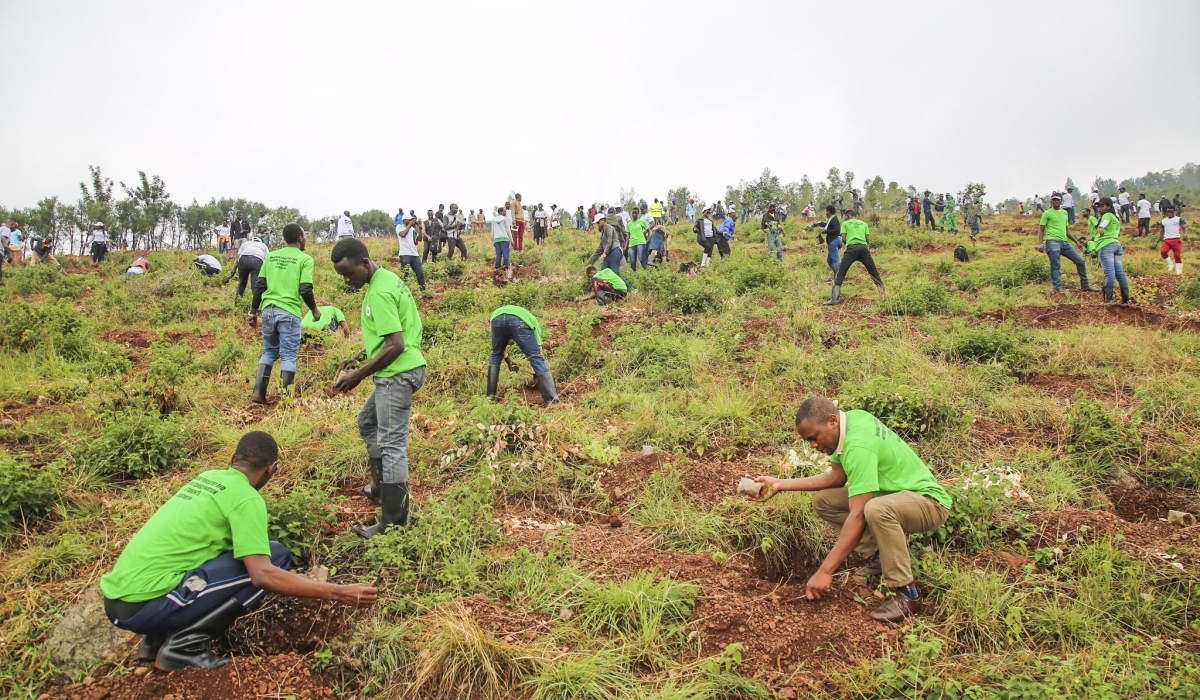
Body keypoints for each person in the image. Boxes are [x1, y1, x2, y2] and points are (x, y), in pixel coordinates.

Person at [99, 431, 377, 671]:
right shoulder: (246, 498)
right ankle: (182, 647)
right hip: (145, 605)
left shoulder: (207, 479)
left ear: (233, 459)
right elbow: (262, 576)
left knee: (242, 556)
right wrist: (339, 592)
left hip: (118, 600)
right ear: (271, 469)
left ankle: (155, 640)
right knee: (276, 558)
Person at [748, 397, 952, 622]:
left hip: (928, 503)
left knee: (875, 509)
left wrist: (825, 571)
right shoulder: (851, 421)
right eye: (809, 441)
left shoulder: (857, 445)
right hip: (894, 495)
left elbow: (858, 514)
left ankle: (906, 592)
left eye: (814, 438)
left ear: (832, 421)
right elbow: (836, 477)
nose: (813, 445)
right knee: (824, 501)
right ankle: (880, 554)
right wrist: (780, 484)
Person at [331, 239, 427, 536]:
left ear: (364, 262)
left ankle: (393, 524)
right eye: (342, 276)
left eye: (349, 274)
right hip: (404, 367)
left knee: (392, 446)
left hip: (398, 373)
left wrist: (358, 374)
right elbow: (391, 336)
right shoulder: (386, 280)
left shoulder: (381, 291)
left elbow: (395, 345)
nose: (347, 281)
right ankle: (378, 486)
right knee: (367, 420)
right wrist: (360, 357)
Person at [249, 224, 319, 402]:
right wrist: (314, 310)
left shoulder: (270, 257)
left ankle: (258, 394)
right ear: (301, 238)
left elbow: (260, 286)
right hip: (289, 311)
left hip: (268, 310)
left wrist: (252, 312)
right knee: (288, 354)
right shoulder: (305, 259)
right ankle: (286, 398)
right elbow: (305, 289)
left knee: (270, 351)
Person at [487, 305, 561, 406]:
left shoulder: (499, 315)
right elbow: (537, 350)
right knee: (535, 357)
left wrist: (508, 360)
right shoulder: (533, 321)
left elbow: (499, 350)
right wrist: (535, 372)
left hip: (496, 318)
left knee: (496, 355)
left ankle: (490, 397)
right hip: (517, 321)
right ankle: (553, 402)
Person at [1036, 193, 1094, 295]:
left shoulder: (1064, 213)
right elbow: (1041, 230)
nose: (1055, 201)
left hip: (1064, 242)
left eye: (1057, 200)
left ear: (1061, 201)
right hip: (1052, 241)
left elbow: (1066, 230)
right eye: (1053, 200)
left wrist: (1076, 242)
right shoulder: (1047, 213)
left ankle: (1085, 285)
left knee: (1080, 261)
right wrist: (1041, 244)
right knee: (1056, 265)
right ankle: (1057, 289)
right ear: (1051, 201)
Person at [825, 210, 884, 305]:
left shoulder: (845, 223)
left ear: (848, 216)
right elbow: (868, 239)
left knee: (841, 273)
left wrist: (849, 243)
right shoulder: (864, 224)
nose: (844, 218)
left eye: (845, 216)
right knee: (874, 272)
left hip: (851, 250)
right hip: (864, 249)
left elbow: (843, 238)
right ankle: (883, 295)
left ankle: (834, 299)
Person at [1092, 197, 1130, 304]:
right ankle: (1126, 300)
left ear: (1109, 206)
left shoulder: (1107, 215)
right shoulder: (1116, 219)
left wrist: (1100, 227)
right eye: (1098, 206)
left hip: (1106, 246)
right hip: (1116, 245)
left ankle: (1108, 300)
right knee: (1119, 273)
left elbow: (1104, 222)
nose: (1099, 208)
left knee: (1109, 272)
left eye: (1102, 206)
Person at [587, 212, 627, 279]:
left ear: (603, 220)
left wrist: (604, 253)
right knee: (603, 273)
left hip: (615, 251)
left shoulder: (609, 227)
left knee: (615, 273)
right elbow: (598, 250)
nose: (597, 225)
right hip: (609, 254)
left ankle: (630, 287)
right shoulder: (603, 231)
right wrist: (588, 264)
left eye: (598, 222)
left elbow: (609, 241)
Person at [229, 235, 269, 300]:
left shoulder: (245, 244)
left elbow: (238, 258)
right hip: (257, 260)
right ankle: (255, 305)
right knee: (255, 285)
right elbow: (267, 259)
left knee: (242, 282)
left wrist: (232, 271)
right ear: (260, 242)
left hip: (243, 259)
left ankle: (237, 302)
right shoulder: (264, 246)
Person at [396, 213, 427, 291]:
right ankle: (402, 291)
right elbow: (403, 234)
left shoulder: (413, 229)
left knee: (420, 273)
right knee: (405, 274)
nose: (411, 221)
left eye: (412, 220)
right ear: (404, 220)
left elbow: (419, 240)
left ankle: (423, 290)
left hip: (414, 254)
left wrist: (420, 229)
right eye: (409, 220)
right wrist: (409, 225)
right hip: (405, 254)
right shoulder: (399, 227)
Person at [1157, 206, 1186, 275]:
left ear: (1174, 212)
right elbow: (1161, 232)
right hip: (1167, 240)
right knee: (1163, 251)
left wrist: (1185, 234)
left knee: (1177, 255)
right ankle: (1170, 264)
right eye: (1168, 212)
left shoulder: (1179, 219)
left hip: (1176, 239)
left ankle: (1178, 271)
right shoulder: (1163, 221)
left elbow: (1184, 227)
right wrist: (1157, 241)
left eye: (1171, 212)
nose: (1169, 213)